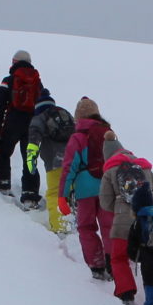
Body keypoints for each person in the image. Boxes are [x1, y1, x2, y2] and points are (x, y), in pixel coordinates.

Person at [98, 137, 153, 305]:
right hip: (149, 221)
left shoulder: (110, 170)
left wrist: (118, 208)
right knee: (150, 256)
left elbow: (105, 202)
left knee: (119, 258)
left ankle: (126, 294)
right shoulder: (145, 168)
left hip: (123, 220)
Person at [60, 98, 114, 277]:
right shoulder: (108, 133)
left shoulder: (77, 137)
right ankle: (113, 262)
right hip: (108, 187)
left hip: (85, 190)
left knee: (86, 227)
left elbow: (69, 168)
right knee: (109, 226)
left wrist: (63, 195)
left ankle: (97, 265)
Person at [0, 51, 42, 203]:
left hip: (12, 121)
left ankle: (2, 183)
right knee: (30, 157)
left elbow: (0, 107)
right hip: (32, 124)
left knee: (2, 151)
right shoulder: (37, 82)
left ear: (14, 62)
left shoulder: (8, 80)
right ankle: (30, 193)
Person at [26, 93, 75, 233]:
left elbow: (34, 138)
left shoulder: (39, 118)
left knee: (55, 194)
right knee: (72, 193)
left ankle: (60, 227)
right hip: (73, 162)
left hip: (54, 162)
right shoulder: (65, 115)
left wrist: (31, 157)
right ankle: (76, 223)